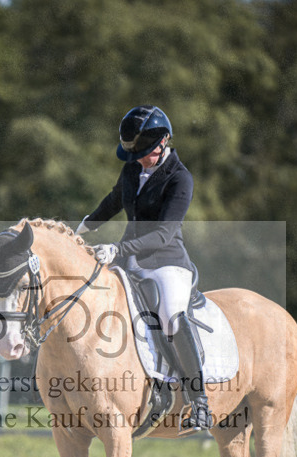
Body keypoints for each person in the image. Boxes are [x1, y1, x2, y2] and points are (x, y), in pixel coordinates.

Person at [76, 105, 212, 430]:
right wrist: (81, 229)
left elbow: (163, 234)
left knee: (170, 314)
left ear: (164, 142)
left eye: (146, 154)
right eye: (135, 156)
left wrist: (118, 248)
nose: (139, 160)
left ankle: (200, 402)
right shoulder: (132, 168)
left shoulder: (180, 178)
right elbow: (113, 201)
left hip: (167, 262)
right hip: (129, 259)